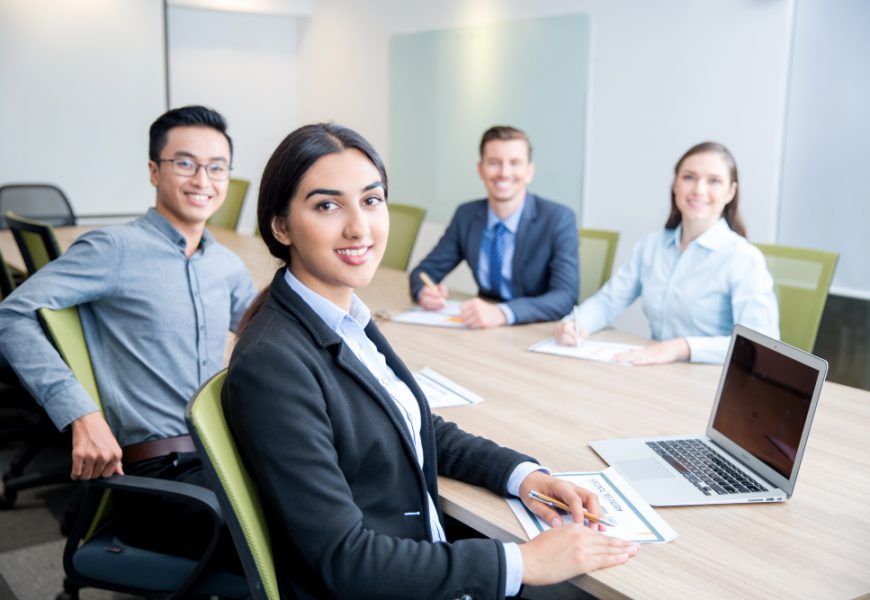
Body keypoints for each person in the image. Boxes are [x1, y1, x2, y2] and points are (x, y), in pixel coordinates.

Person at [224, 123, 637, 599]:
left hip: (421, 556)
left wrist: (526, 477)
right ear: (280, 225)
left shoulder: (342, 316)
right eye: (327, 205)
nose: (359, 226)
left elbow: (411, 421)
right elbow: (345, 559)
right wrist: (523, 561)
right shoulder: (275, 364)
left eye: (372, 200)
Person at [0, 105, 257, 557]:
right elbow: (10, 315)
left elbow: (268, 340)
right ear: (154, 171)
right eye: (185, 164)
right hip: (159, 473)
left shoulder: (227, 266)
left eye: (216, 167)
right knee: (298, 540)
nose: (202, 180)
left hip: (220, 455)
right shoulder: (114, 248)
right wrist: (81, 412)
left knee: (335, 506)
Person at [556, 141, 779, 365]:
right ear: (675, 185)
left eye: (714, 181)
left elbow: (759, 345)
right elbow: (609, 301)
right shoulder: (651, 247)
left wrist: (683, 347)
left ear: (730, 192)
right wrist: (577, 322)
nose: (699, 190)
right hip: (657, 372)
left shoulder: (742, 258)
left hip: (711, 381)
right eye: (689, 177)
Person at [408, 125, 579, 328]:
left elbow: (566, 297)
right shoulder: (467, 215)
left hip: (535, 329)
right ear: (480, 169)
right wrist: (424, 292)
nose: (504, 173)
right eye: (494, 163)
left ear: (529, 171)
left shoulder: (558, 218)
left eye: (515, 163)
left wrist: (503, 313)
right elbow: (423, 272)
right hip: (481, 330)